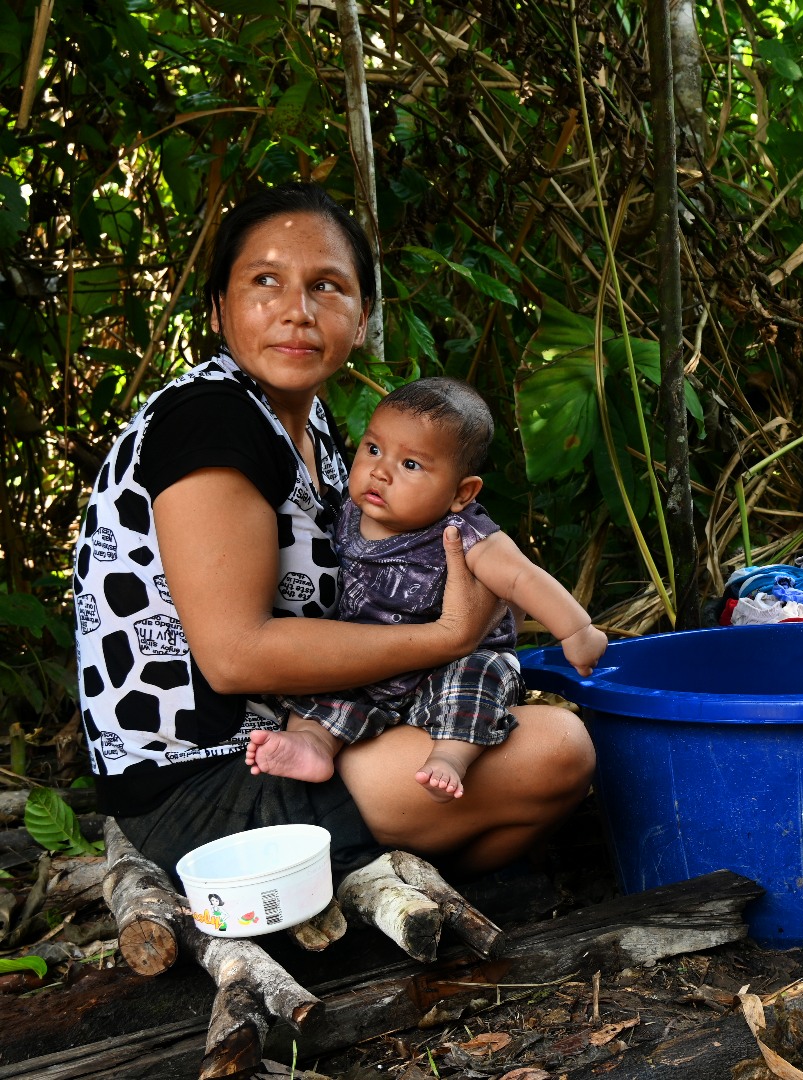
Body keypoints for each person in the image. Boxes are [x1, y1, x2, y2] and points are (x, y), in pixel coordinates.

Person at [72, 181, 594, 888]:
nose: (296, 312)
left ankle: (386, 885)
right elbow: (235, 656)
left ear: (362, 315)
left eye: (327, 286)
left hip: (302, 731)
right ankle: (362, 881)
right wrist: (447, 637)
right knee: (557, 750)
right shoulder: (211, 421)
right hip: (204, 781)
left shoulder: (308, 422)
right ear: (220, 306)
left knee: (504, 744)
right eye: (265, 281)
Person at [243, 377, 608, 801]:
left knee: (480, 675)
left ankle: (450, 757)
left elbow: (522, 577)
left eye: (410, 465)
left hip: (448, 668)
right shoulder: (344, 512)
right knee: (322, 677)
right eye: (373, 449)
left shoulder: (464, 531)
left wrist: (576, 631)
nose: (380, 471)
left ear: (461, 493)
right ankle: (315, 743)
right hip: (376, 659)